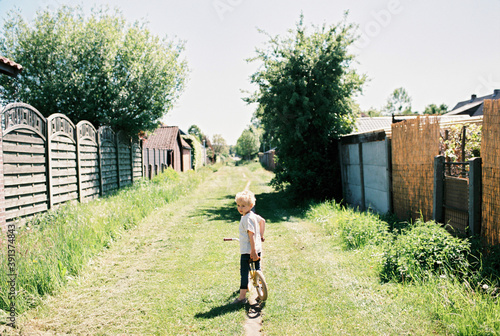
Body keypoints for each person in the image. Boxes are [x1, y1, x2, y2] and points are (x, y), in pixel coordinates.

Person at [232, 190, 266, 304]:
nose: (240, 208)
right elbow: (263, 221)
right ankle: (260, 292)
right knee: (258, 269)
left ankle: (242, 298)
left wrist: (253, 251)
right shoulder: (253, 215)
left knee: (244, 273)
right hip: (257, 248)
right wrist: (261, 235)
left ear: (251, 206)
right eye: (238, 205)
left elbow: (250, 235)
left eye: (243, 206)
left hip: (248, 251)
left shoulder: (246, 219)